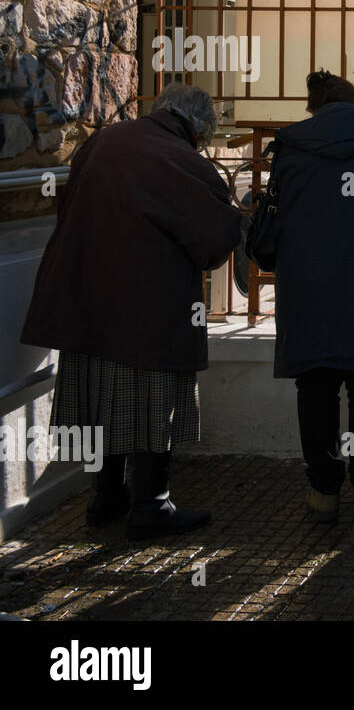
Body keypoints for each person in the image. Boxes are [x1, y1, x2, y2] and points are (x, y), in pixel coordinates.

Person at [22, 83, 242, 540]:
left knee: (102, 404)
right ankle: (151, 505)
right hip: (149, 310)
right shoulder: (183, 162)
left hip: (85, 304)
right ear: (198, 128)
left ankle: (105, 497)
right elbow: (215, 242)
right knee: (150, 408)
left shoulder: (103, 140)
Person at [250, 70, 354, 523]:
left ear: (314, 107)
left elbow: (272, 222)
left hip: (307, 286)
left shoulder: (292, 147)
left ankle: (323, 491)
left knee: (315, 387)